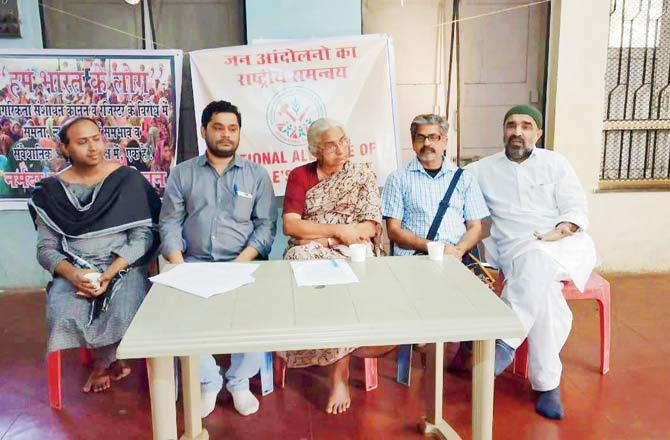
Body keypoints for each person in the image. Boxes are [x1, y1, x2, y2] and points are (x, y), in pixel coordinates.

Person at [467, 105, 597, 420]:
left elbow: (576, 206)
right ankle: (547, 385)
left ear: (537, 133)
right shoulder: (482, 169)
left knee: (538, 261)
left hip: (564, 244)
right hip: (513, 248)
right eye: (511, 125)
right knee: (546, 296)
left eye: (526, 125)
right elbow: (450, 188)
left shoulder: (556, 163)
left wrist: (562, 229)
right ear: (503, 131)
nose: (518, 131)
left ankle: (507, 340)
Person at [159, 100, 277, 418]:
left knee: (260, 318)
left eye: (232, 128)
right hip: (193, 263)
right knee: (177, 318)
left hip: (243, 262)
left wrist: (240, 264)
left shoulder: (256, 175)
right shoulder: (183, 174)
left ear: (239, 133)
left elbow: (266, 226)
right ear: (204, 131)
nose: (226, 134)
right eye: (218, 127)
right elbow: (169, 221)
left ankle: (238, 382)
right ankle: (209, 381)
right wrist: (178, 264)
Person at [29, 116, 160, 393]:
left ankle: (104, 363)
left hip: (123, 266)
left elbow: (142, 237)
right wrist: (75, 275)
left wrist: (109, 275)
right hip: (75, 270)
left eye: (96, 139)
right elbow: (46, 249)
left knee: (124, 306)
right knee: (64, 311)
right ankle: (111, 360)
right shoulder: (50, 192)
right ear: (65, 149)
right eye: (82, 142)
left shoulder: (127, 180)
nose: (93, 148)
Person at [280, 118, 393, 415]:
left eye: (343, 140)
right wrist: (336, 232)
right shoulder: (300, 176)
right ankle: (326, 354)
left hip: (353, 249)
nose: (341, 149)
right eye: (331, 145)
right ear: (315, 149)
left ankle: (338, 375)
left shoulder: (362, 174)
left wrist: (329, 239)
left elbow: (368, 226)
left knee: (348, 287)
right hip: (314, 250)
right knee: (298, 260)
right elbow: (291, 226)